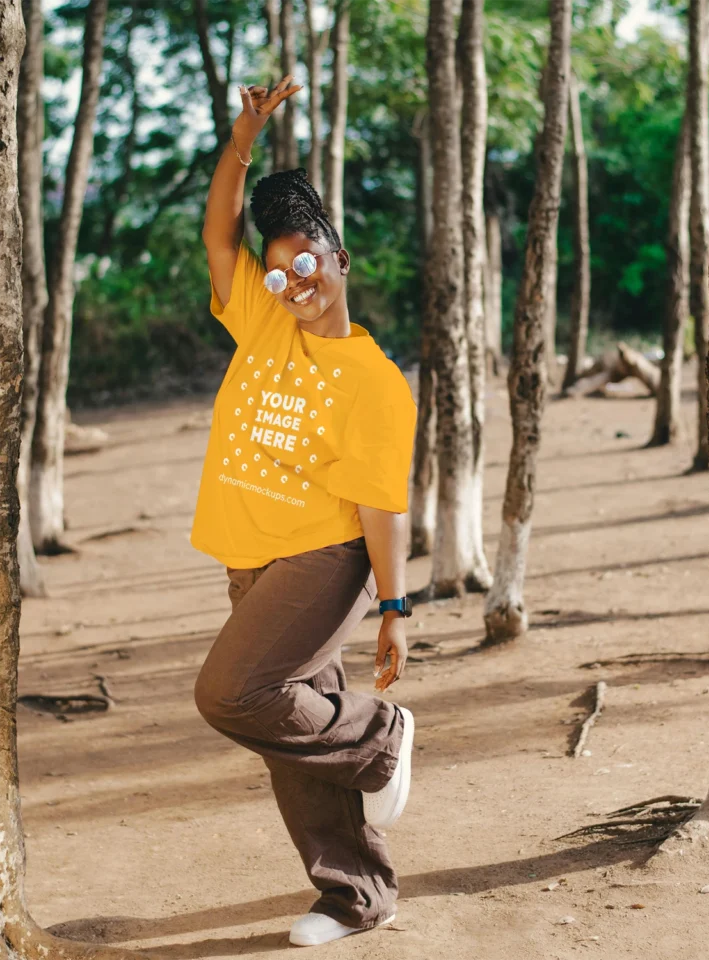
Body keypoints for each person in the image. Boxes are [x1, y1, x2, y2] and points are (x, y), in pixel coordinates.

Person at [189, 74, 418, 947]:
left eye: (307, 263)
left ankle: (381, 738)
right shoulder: (262, 320)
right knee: (291, 723)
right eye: (279, 269)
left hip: (324, 558)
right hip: (250, 552)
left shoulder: (372, 380)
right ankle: (356, 895)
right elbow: (218, 232)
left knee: (235, 692)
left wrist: (394, 607)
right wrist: (243, 137)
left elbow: (379, 503)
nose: (293, 282)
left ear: (341, 260)